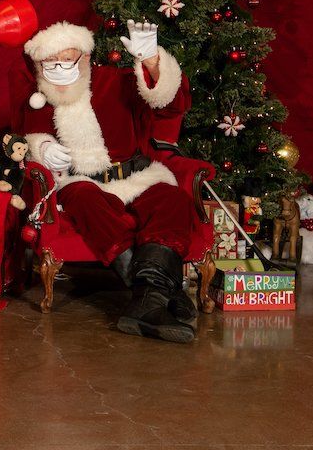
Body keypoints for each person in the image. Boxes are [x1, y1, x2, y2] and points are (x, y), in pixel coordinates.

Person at [21, 20, 199, 343]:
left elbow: (169, 103)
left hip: (135, 175)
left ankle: (147, 298)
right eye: (50, 64)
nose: (59, 70)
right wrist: (41, 148)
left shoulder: (115, 82)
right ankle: (160, 292)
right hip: (80, 182)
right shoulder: (38, 99)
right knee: (84, 198)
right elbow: (27, 140)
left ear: (86, 59)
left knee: (172, 199)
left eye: (67, 60)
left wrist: (151, 62)